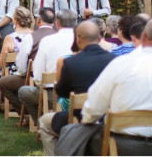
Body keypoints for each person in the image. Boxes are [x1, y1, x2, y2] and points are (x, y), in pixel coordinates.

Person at [80, 17, 152, 155]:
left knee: (80, 139)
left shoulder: (120, 64)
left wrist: (86, 120)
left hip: (121, 146)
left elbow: (94, 107)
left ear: (143, 37)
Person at [38, 21, 116, 155]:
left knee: (44, 121)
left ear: (78, 39)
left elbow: (61, 92)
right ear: (99, 38)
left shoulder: (70, 62)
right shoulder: (115, 59)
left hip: (80, 117)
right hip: (110, 118)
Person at [0, 7, 56, 126]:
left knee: (2, 82)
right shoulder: (59, 36)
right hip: (57, 81)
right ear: (54, 22)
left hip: (34, 79)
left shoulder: (32, 37)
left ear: (38, 20)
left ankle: (26, 116)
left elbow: (21, 63)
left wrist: (24, 74)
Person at [18, 9, 76, 123]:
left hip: (53, 94)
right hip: (82, 95)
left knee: (23, 91)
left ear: (57, 23)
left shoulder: (48, 41)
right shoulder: (82, 39)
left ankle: (42, 124)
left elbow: (38, 76)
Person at [0, 6, 32, 112]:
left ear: (14, 20)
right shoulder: (34, 35)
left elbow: (1, 63)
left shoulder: (10, 38)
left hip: (13, 75)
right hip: (31, 74)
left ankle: (3, 104)